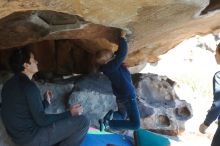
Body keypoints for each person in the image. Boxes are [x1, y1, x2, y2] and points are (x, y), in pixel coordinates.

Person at [1, 48, 89, 146]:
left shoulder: (8, 85)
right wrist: (70, 113)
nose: (37, 62)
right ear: (26, 65)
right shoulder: (29, 87)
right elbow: (42, 121)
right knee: (83, 122)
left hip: (18, 138)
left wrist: (46, 102)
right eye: (33, 60)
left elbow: (27, 111)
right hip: (31, 139)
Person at [95, 31, 140, 131]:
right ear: (108, 61)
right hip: (128, 96)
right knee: (135, 125)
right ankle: (108, 123)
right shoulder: (111, 67)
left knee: (121, 115)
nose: (113, 55)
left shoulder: (109, 67)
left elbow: (117, 55)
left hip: (121, 97)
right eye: (111, 56)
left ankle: (109, 117)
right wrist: (122, 37)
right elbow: (122, 54)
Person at [199, 43, 220, 146]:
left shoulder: (219, 76)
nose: (215, 55)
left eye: (216, 52)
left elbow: (218, 104)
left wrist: (206, 123)